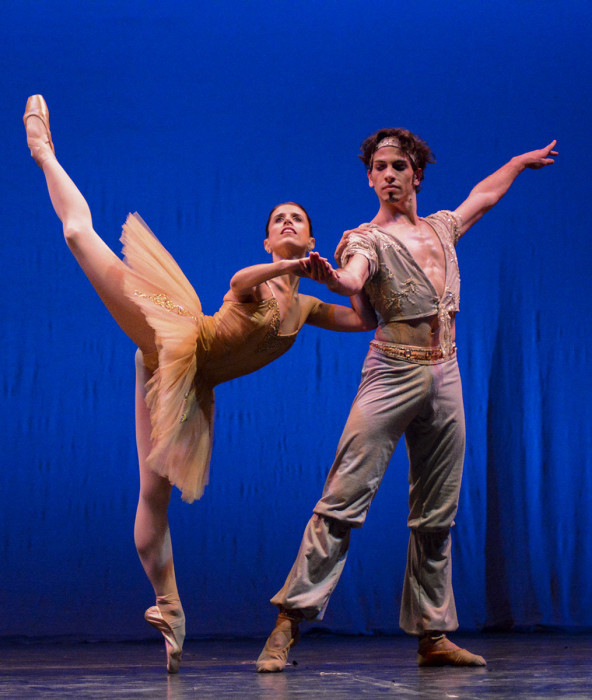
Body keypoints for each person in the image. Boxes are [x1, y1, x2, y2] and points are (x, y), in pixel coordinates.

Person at [23, 95, 377, 674]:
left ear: (311, 234)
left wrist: (348, 271)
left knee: (153, 500)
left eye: (298, 219)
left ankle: (170, 607)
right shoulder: (259, 281)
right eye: (277, 222)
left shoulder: (307, 307)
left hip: (182, 383)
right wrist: (287, 267)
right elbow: (239, 280)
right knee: (78, 235)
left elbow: (364, 318)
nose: (287, 223)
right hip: (176, 332)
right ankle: (44, 153)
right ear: (268, 242)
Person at [256, 128, 557, 671]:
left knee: (436, 514)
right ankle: (286, 624)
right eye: (379, 166)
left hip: (445, 374)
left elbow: (482, 197)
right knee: (344, 499)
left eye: (398, 166)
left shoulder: (442, 227)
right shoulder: (364, 238)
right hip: (391, 372)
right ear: (370, 176)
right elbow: (354, 276)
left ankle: (432, 636)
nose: (388, 174)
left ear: (416, 174)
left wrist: (515, 162)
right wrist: (335, 278)